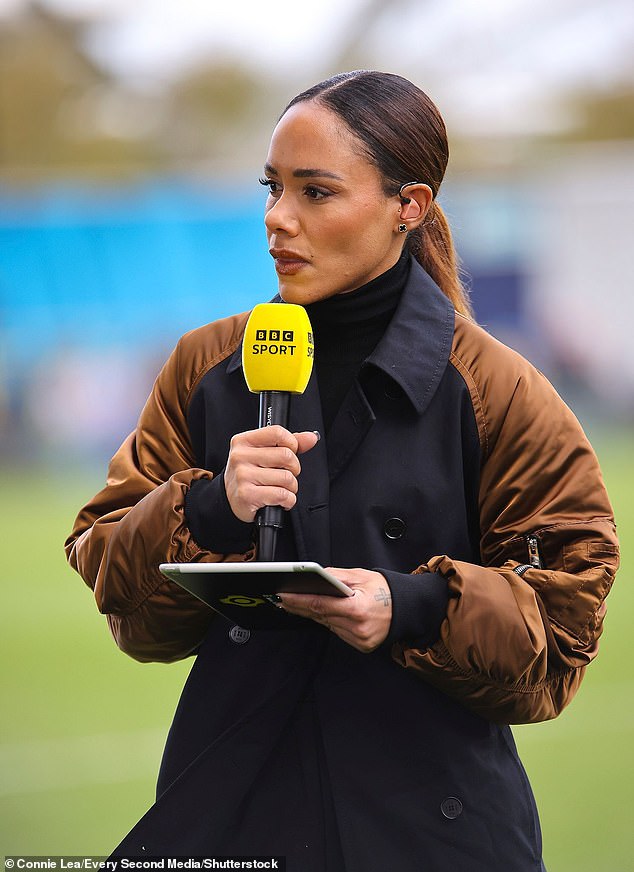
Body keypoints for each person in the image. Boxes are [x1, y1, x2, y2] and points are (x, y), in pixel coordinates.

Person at [65, 70, 619, 871]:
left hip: (434, 831)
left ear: (409, 207)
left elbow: (566, 624)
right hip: (231, 814)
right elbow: (110, 574)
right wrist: (212, 508)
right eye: (272, 187)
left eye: (315, 193)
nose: (276, 221)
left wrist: (412, 604)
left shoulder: (499, 390)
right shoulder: (206, 368)